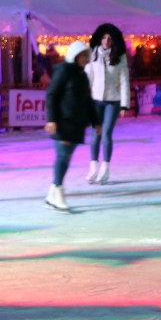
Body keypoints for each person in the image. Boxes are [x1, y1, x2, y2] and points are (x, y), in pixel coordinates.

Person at [44, 41, 100, 212]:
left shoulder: (82, 75)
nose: (86, 58)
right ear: (75, 55)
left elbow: (88, 101)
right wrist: (52, 119)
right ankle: (58, 192)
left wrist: (95, 121)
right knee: (63, 157)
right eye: (84, 55)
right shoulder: (64, 72)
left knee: (66, 157)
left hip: (77, 123)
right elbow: (51, 95)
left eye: (87, 55)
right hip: (63, 121)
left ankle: (52, 192)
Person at [84, 23, 130, 184]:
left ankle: (106, 167)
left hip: (113, 100)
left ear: (114, 40)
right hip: (96, 100)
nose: (106, 41)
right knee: (96, 134)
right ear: (99, 38)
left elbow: (124, 80)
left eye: (109, 38)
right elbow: (88, 77)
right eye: (103, 37)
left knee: (106, 133)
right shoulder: (93, 54)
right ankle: (93, 167)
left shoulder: (120, 56)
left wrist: (124, 104)